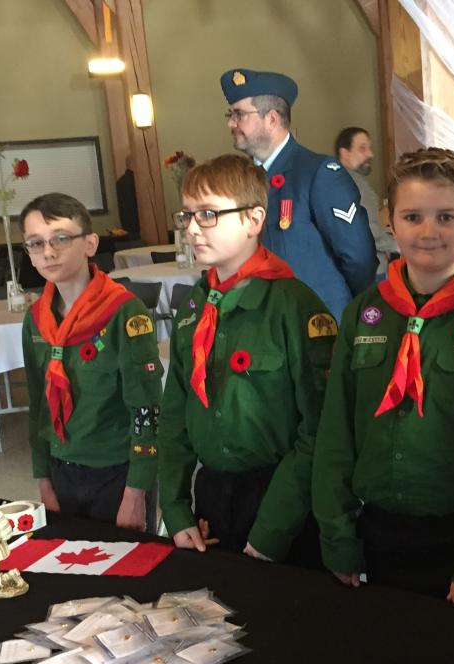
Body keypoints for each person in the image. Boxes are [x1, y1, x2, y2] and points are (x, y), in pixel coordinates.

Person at [313, 148, 454, 614]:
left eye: (446, 217)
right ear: (389, 221)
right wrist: (337, 536)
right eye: (413, 216)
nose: (429, 232)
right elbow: (335, 433)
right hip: (379, 539)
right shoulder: (364, 315)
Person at [157, 154, 334, 567]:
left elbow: (319, 431)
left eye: (209, 214)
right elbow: (175, 417)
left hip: (282, 498)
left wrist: (271, 530)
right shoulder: (195, 306)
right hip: (213, 496)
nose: (193, 229)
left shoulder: (294, 307)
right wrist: (176, 508)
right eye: (187, 216)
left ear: (254, 220)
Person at [20, 192, 164, 532]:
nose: (49, 252)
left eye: (61, 239)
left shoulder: (124, 312)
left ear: (90, 244)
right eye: (35, 243)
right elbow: (38, 403)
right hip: (61, 471)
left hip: (117, 474)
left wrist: (136, 492)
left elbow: (147, 408)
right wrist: (43, 478)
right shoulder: (36, 319)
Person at [220, 68, 376, 318]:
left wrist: (342, 308)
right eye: (230, 114)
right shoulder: (245, 180)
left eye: (239, 114)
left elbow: (359, 259)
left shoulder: (317, 172)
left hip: (316, 323)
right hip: (266, 323)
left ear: (271, 119)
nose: (231, 122)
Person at [335, 127, 398, 276]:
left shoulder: (335, 180)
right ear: (344, 153)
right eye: (362, 148)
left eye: (369, 148)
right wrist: (399, 246)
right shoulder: (355, 185)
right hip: (372, 271)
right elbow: (367, 231)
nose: (371, 154)